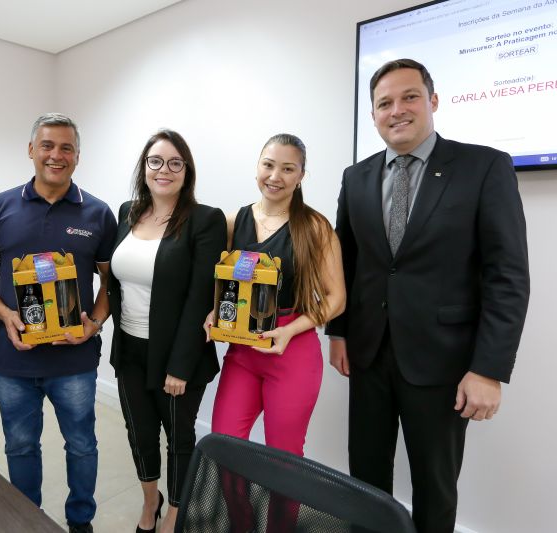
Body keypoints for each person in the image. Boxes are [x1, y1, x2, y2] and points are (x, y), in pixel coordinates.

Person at [325, 59, 530, 533]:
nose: (397, 110)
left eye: (410, 97)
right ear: (373, 115)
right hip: (368, 354)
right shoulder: (356, 177)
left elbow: (507, 274)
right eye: (384, 103)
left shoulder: (483, 167)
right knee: (365, 480)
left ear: (432, 101)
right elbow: (346, 262)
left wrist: (488, 368)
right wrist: (338, 332)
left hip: (443, 361)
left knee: (434, 486)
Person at [0, 113, 116, 533]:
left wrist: (94, 323)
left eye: (67, 148)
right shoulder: (0, 207)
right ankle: (27, 519)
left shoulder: (98, 213)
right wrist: (5, 314)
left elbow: (111, 281)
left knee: (82, 446)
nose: (56, 155)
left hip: (74, 361)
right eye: (47, 145)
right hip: (15, 359)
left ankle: (80, 522)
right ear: (31, 150)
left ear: (78, 156)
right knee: (20, 446)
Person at [204, 133, 345, 531]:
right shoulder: (234, 221)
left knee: (284, 458)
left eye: (287, 168)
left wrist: (289, 331)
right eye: (268, 165)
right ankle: (243, 524)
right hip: (243, 351)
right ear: (257, 167)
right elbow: (225, 281)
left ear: (301, 175)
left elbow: (336, 298)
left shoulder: (314, 226)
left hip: (291, 349)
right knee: (225, 446)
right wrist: (216, 313)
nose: (275, 176)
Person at [108, 129, 226, 533]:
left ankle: (175, 513)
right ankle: (150, 502)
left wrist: (180, 366)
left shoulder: (204, 220)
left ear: (186, 171)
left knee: (178, 438)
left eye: (176, 163)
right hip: (129, 349)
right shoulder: (128, 211)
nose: (165, 170)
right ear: (144, 167)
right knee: (139, 433)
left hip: (177, 354)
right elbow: (115, 282)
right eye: (156, 161)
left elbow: (199, 296)